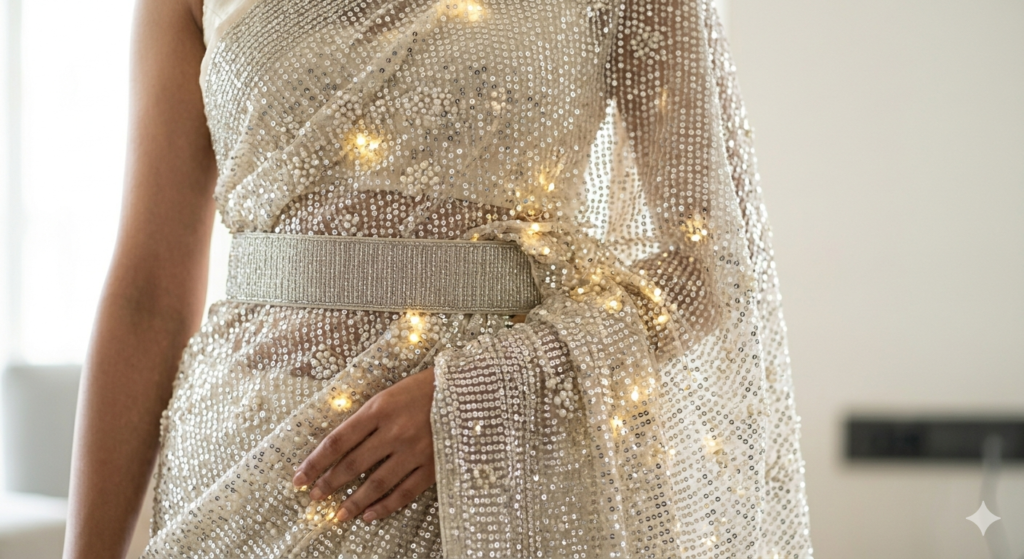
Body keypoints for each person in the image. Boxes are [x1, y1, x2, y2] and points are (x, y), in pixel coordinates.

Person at [64, 0, 814, 556]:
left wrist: (484, 393)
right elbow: (147, 296)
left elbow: (707, 267)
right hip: (245, 466)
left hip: (510, 477)